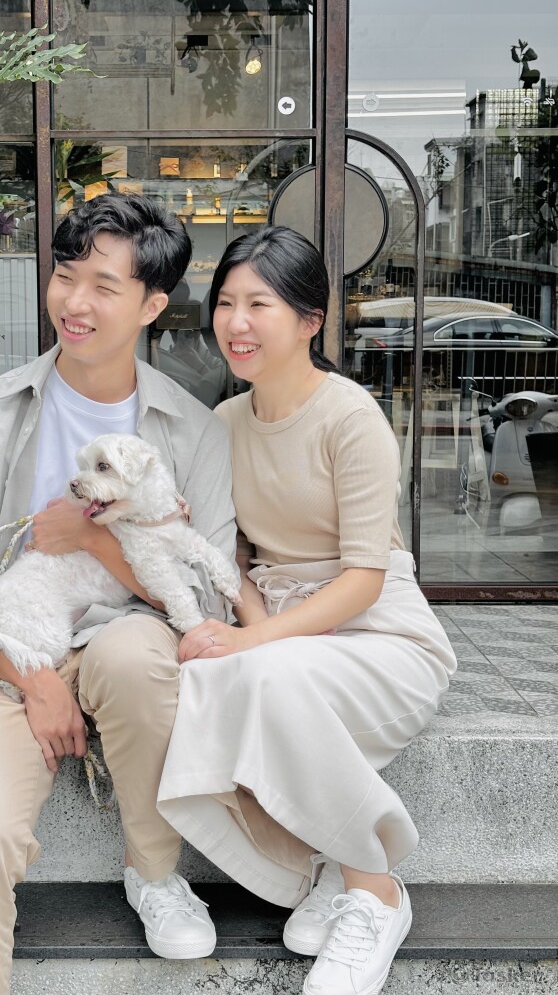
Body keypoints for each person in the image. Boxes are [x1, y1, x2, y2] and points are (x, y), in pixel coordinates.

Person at [0, 194, 237, 995]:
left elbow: (210, 603)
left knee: (132, 655)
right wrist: (30, 676)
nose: (74, 302)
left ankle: (153, 871)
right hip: (12, 650)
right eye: (65, 275)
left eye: (104, 286)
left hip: (134, 643)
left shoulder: (193, 432)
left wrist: (92, 539)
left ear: (152, 305)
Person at [157, 226, 457, 995]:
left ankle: (374, 890)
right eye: (225, 302)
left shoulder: (350, 417)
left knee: (262, 674)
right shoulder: (225, 423)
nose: (236, 322)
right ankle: (322, 858)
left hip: (381, 635)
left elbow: (363, 581)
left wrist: (255, 639)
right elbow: (233, 559)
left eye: (259, 304)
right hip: (286, 628)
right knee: (210, 679)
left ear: (310, 320)